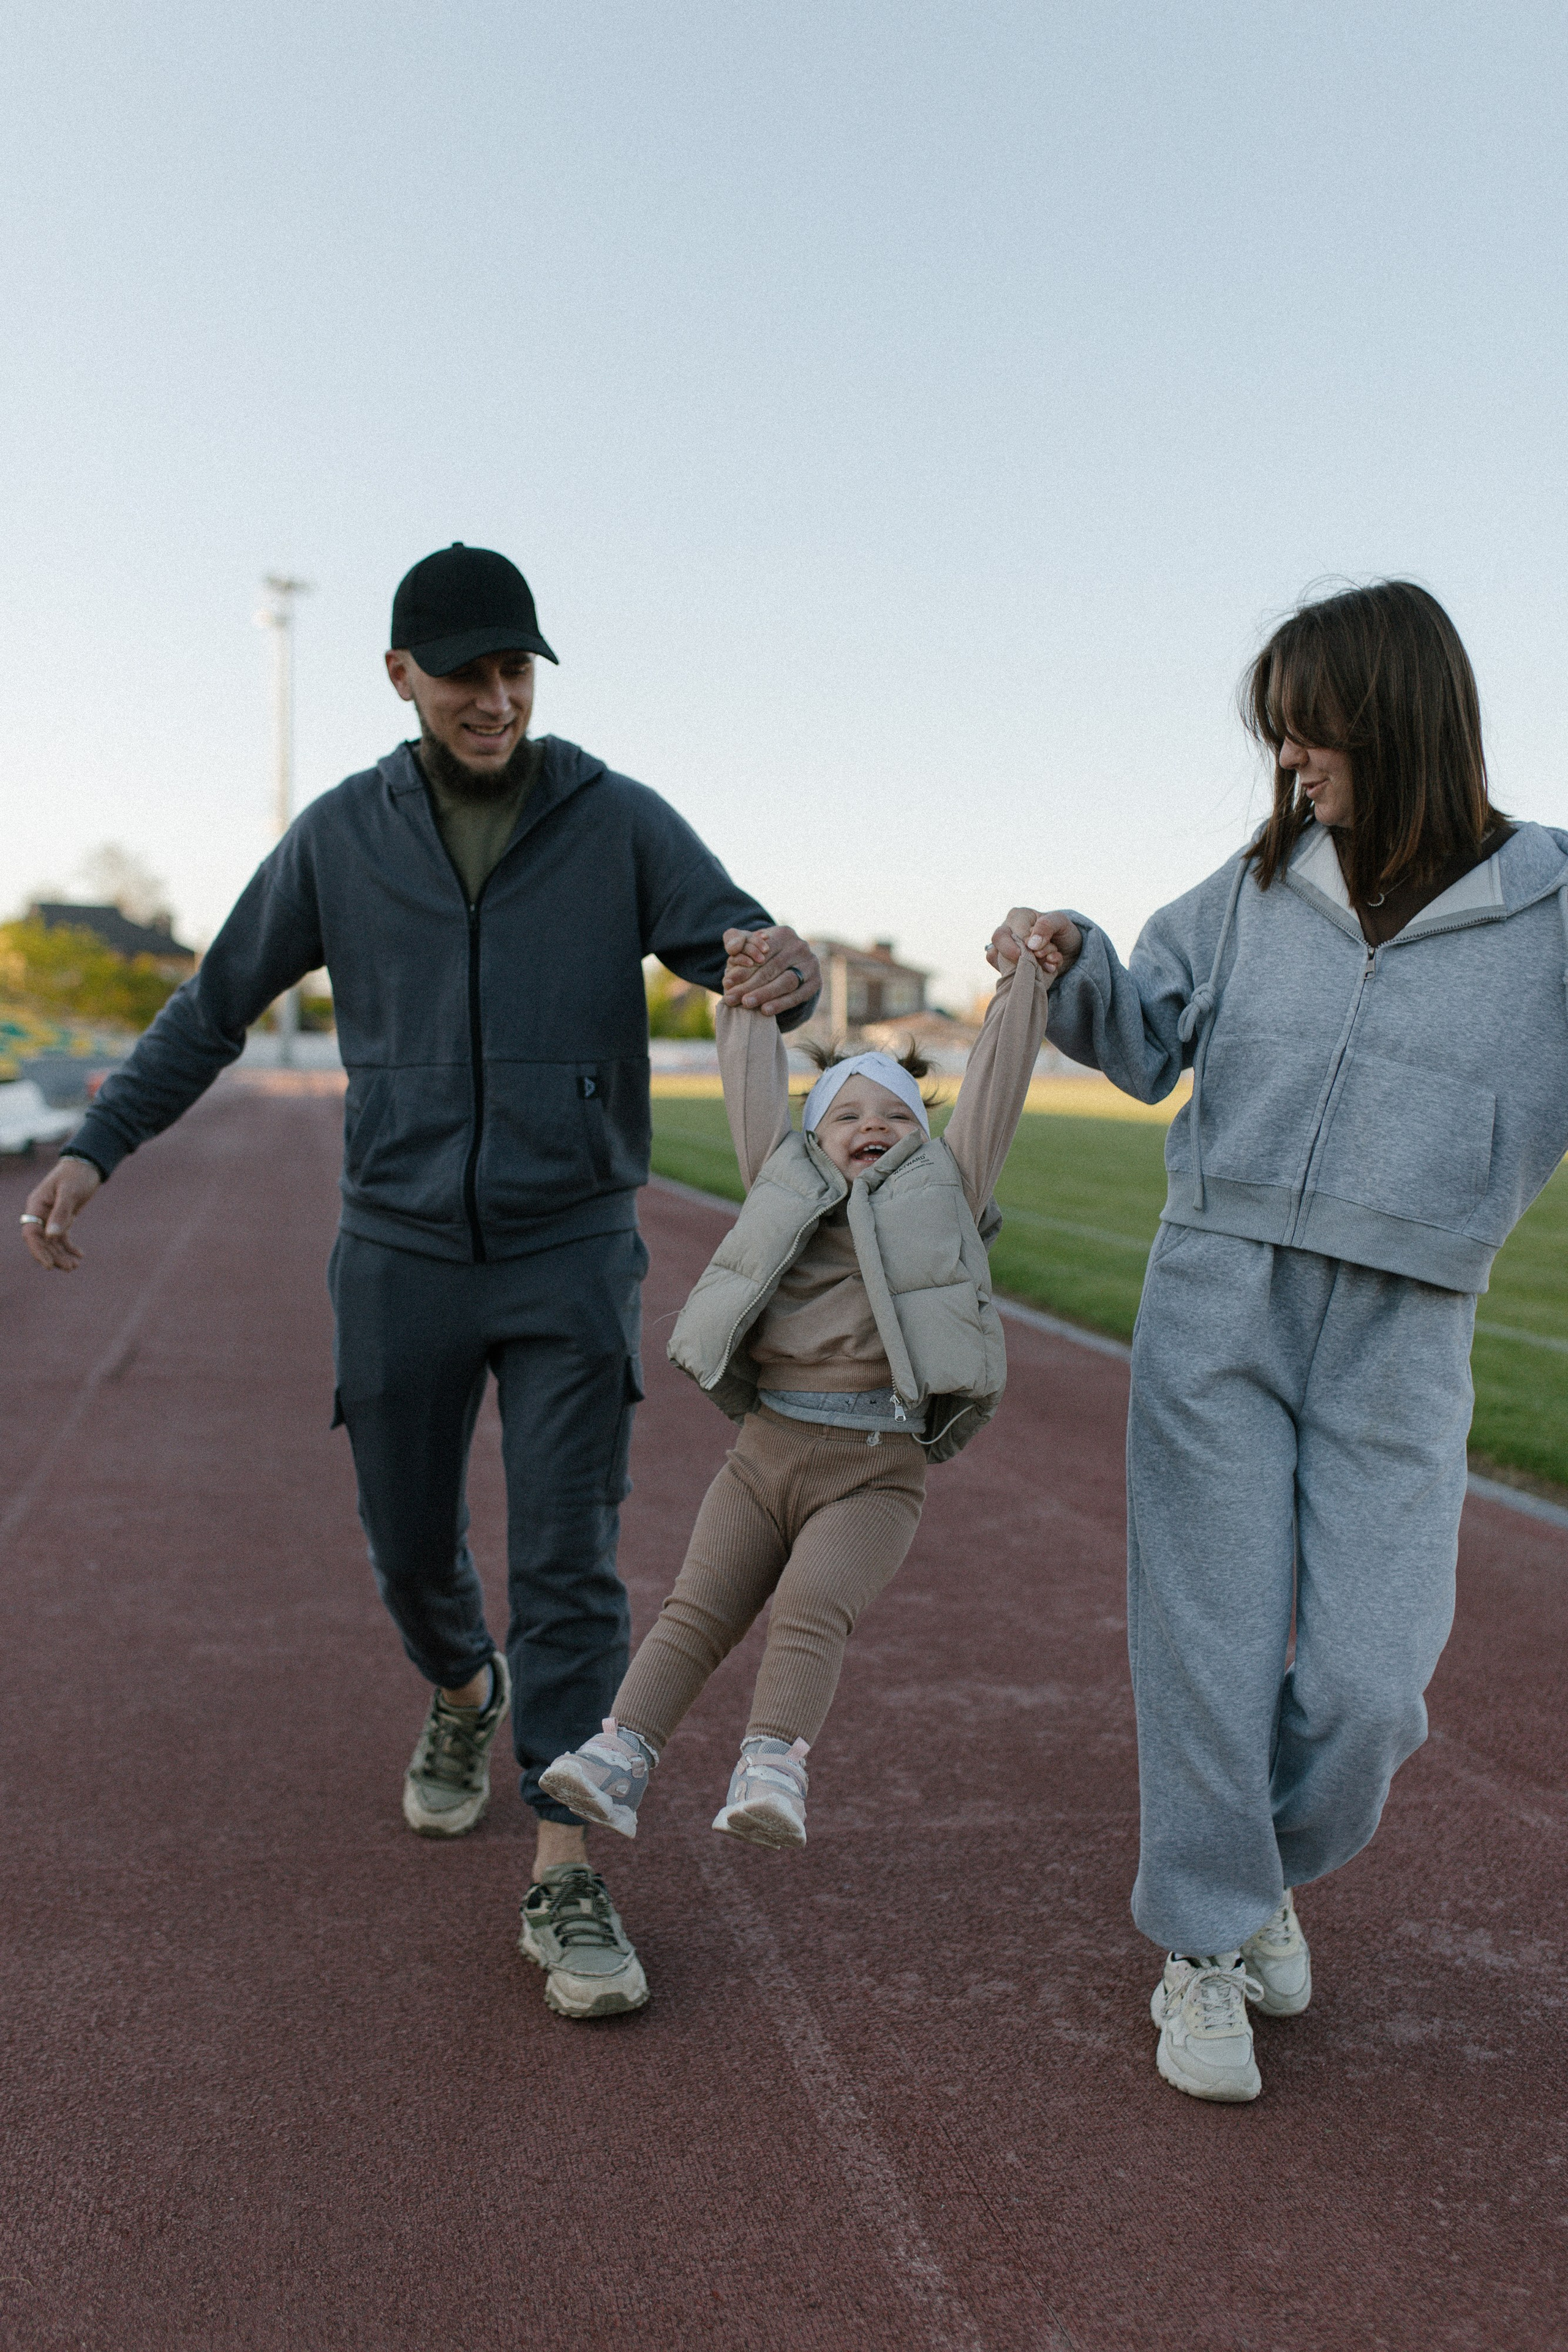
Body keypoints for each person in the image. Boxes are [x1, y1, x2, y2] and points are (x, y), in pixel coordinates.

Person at [20, 542, 821, 2021]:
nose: (496, 700)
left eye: (516, 672)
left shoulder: (615, 818)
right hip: (398, 1251)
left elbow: (740, 946)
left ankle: (563, 1865)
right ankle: (461, 1689)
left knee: (569, 1561)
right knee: (406, 1544)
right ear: (400, 675)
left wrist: (783, 972)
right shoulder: (340, 836)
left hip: (571, 1244)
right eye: (465, 675)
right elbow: (212, 1008)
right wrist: (96, 1147)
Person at [1001, 578, 1568, 2101]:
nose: (1286, 759)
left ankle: (1246, 1873)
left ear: (1390, 715)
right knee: (1210, 1646)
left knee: (1373, 1686)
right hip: (1218, 1299)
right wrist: (1065, 955)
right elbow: (1140, 1040)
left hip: (1403, 1325)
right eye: (1276, 735)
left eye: (1305, 731)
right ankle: (1198, 1943)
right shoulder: (1256, 885)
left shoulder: (1550, 904)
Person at [537, 916, 1054, 1851]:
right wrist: (742, 1001)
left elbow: (995, 1092)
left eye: (896, 1115)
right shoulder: (782, 1182)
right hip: (764, 1454)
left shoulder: (949, 1189)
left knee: (812, 1607)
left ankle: (772, 1770)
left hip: (874, 1470)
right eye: (847, 1115)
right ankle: (621, 1756)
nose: (873, 1128)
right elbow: (750, 1089)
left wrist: (1022, 987)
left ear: (924, 1136)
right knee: (696, 1609)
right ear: (814, 1139)